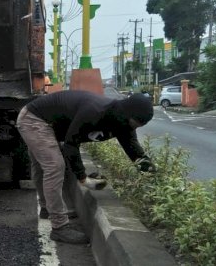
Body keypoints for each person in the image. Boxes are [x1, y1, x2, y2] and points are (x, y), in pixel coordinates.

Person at [16, 90, 155, 244]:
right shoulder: (96, 111)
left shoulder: (123, 123)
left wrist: (153, 178)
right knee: (54, 166)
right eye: (134, 122)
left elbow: (135, 152)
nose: (134, 127)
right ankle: (59, 227)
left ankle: (47, 209)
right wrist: (83, 178)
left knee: (45, 167)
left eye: (139, 125)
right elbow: (71, 144)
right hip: (34, 119)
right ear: (126, 113)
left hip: (49, 124)